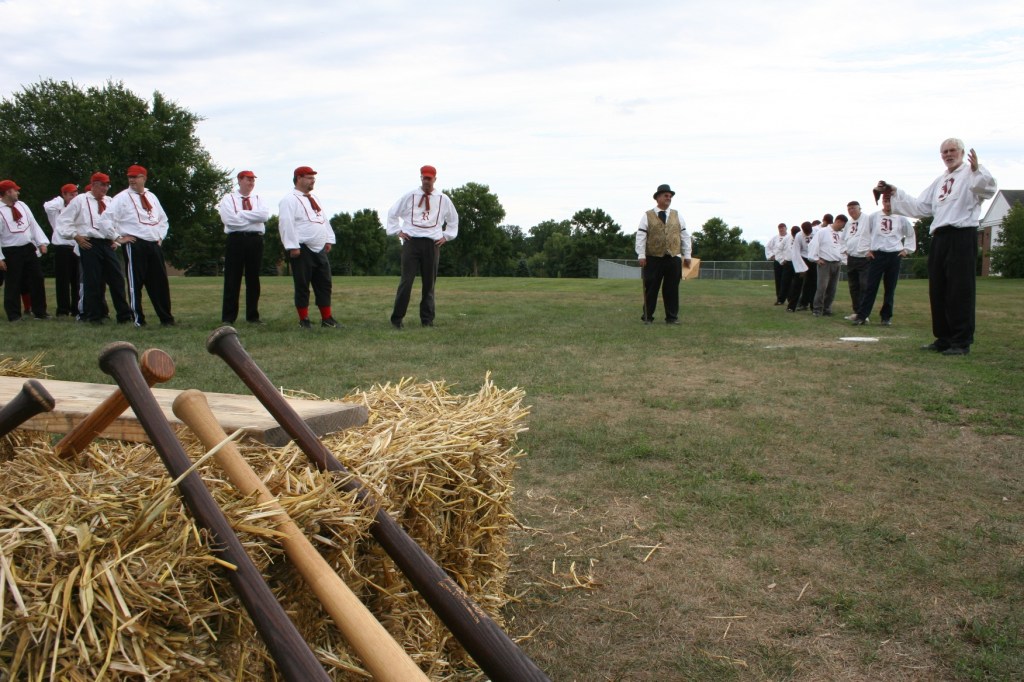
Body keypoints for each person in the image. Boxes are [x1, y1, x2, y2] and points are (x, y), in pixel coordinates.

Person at [879, 139, 997, 355]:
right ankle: (943, 337)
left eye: (952, 150)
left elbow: (987, 189)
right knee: (939, 289)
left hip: (961, 234)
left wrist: (977, 169)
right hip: (940, 236)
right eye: (944, 152)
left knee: (960, 289)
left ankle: (961, 341)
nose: (948, 154)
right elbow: (920, 206)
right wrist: (894, 192)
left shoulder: (971, 172)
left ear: (962, 152)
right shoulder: (940, 181)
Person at [385, 165, 459, 329]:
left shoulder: (443, 199)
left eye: (429, 178)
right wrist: (398, 231)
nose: (427, 181)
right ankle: (397, 319)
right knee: (406, 281)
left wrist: (446, 236)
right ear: (420, 178)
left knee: (429, 284)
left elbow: (453, 219)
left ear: (435, 179)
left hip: (432, 243)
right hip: (411, 242)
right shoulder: (410, 196)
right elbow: (392, 213)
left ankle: (427, 320)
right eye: (424, 178)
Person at [56, 172, 133, 325]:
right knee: (93, 281)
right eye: (102, 185)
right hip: (89, 242)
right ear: (93, 185)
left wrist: (116, 239)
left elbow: (117, 221)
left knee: (117, 279)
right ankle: (93, 316)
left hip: (107, 242)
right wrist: (76, 236)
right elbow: (63, 221)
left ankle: (124, 315)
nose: (105, 188)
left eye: (107, 185)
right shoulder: (80, 200)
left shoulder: (110, 201)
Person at [103, 165, 174, 327]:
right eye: (130, 177)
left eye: (136, 177)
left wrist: (160, 236)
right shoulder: (121, 198)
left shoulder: (152, 196)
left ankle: (166, 318)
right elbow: (105, 220)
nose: (132, 180)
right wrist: (117, 238)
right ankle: (138, 319)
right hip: (135, 244)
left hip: (153, 244)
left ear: (144, 178)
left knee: (159, 282)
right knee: (136, 283)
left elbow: (163, 219)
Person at [279, 165, 338, 330]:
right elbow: (286, 223)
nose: (313, 180)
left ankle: (327, 318)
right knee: (302, 285)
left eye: (313, 178)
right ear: (299, 178)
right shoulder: (289, 199)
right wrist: (292, 246)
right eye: (309, 177)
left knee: (324, 283)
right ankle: (303, 320)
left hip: (319, 248)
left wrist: (328, 238)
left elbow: (323, 219)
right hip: (302, 248)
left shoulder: (314, 198)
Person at [851, 195, 915, 327]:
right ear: (882, 202)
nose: (888, 203)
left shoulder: (901, 217)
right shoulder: (874, 217)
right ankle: (862, 316)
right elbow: (865, 234)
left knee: (890, 288)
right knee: (871, 287)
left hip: (894, 255)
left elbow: (910, 233)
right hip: (877, 255)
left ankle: (886, 317)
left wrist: (906, 250)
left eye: (890, 201)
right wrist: (865, 250)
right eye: (885, 201)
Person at [218, 170, 269, 325]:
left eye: (253, 180)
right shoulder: (228, 198)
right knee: (232, 278)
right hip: (236, 239)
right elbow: (230, 220)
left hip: (255, 240)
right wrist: (253, 217)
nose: (251, 183)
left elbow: (264, 216)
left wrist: (241, 213)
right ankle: (228, 317)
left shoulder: (258, 198)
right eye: (248, 179)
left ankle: (253, 316)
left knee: (253, 279)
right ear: (239, 180)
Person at [636, 184, 692, 324]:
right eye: (666, 195)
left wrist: (688, 255)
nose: (669, 198)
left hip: (673, 258)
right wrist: (641, 255)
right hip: (653, 258)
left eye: (670, 196)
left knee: (672, 289)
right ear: (658, 198)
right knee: (651, 288)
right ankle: (648, 317)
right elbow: (641, 236)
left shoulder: (677, 215)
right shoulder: (647, 215)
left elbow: (684, 236)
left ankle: (672, 318)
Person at [0, 179, 50, 321]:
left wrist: (41, 242)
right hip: (10, 250)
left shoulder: (22, 205)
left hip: (28, 248)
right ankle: (14, 314)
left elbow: (33, 223)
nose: (18, 192)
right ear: (8, 192)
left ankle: (40, 312)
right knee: (13, 282)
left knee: (37, 278)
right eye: (15, 190)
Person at [43, 183, 81, 317]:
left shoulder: (78, 207)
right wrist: (61, 201)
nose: (74, 197)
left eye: (76, 194)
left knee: (76, 280)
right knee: (62, 280)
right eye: (71, 194)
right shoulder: (56, 209)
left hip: (76, 245)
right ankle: (63, 310)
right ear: (64, 195)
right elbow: (47, 206)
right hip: (62, 247)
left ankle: (76, 308)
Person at [809, 214, 847, 317]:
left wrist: (843, 260)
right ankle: (817, 309)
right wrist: (816, 259)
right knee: (822, 287)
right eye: (842, 225)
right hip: (825, 262)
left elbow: (843, 247)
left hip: (836, 262)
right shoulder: (823, 232)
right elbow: (813, 244)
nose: (842, 227)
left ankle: (827, 308)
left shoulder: (841, 234)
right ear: (838, 221)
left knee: (832, 288)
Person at [842, 200, 869, 320]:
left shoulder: (868, 219)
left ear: (859, 208)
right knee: (853, 286)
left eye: (853, 208)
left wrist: (870, 250)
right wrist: (845, 249)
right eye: (849, 209)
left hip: (864, 257)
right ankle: (856, 311)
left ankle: (864, 313)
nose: (851, 211)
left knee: (864, 285)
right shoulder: (848, 223)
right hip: (851, 257)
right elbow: (842, 239)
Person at [765, 223, 788, 304]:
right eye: (780, 228)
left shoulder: (789, 237)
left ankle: (790, 298)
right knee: (778, 280)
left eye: (782, 228)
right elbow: (768, 247)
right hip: (778, 261)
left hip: (787, 262)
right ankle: (780, 299)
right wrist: (772, 256)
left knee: (788, 280)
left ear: (786, 228)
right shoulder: (775, 238)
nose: (781, 229)